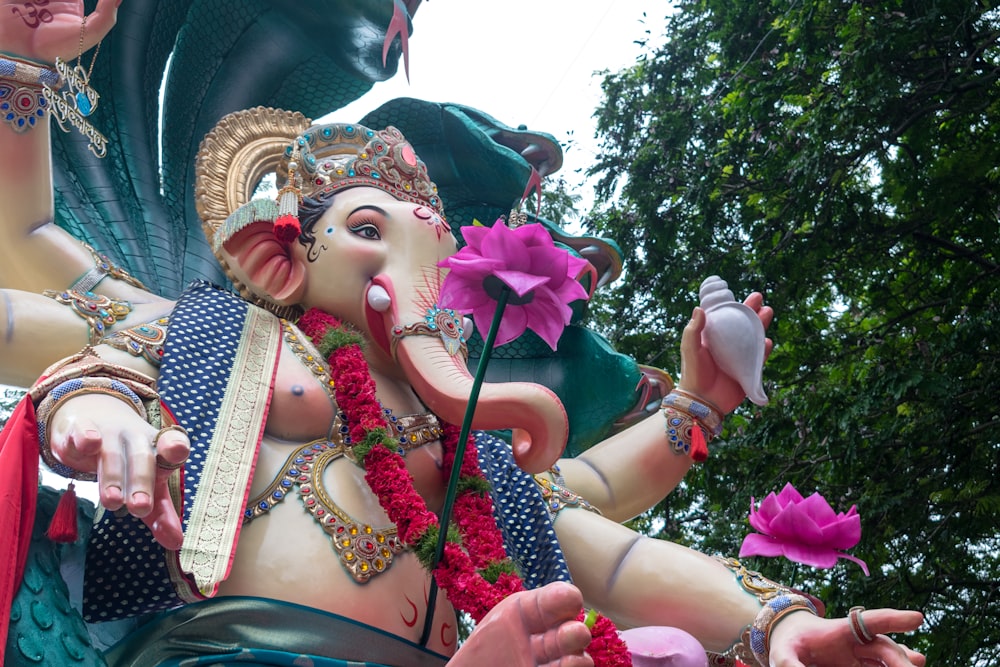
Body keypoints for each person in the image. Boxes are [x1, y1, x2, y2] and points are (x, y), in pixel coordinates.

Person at [0, 2, 927, 666]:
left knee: (673, 650)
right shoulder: (216, 336)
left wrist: (778, 622)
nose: (405, 271)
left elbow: (599, 523)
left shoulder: (472, 452)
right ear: (281, 255)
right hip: (232, 652)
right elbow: (32, 254)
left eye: (433, 258)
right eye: (366, 233)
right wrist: (17, 63)